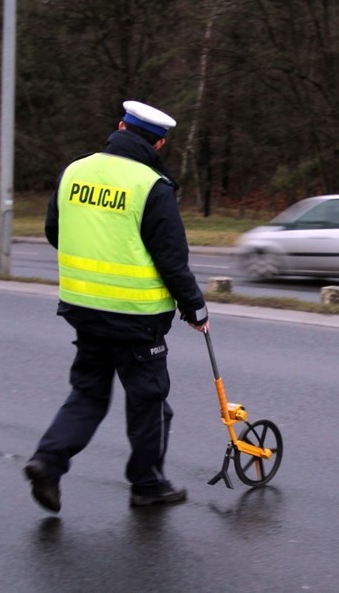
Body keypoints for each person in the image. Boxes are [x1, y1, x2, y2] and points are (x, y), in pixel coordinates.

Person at [24, 100, 209, 513]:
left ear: (120, 126)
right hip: (136, 318)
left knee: (88, 394)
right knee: (150, 403)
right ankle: (147, 484)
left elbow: (55, 231)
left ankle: (48, 462)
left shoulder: (75, 171)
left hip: (82, 309)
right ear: (158, 143)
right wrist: (195, 306)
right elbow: (172, 259)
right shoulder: (151, 185)